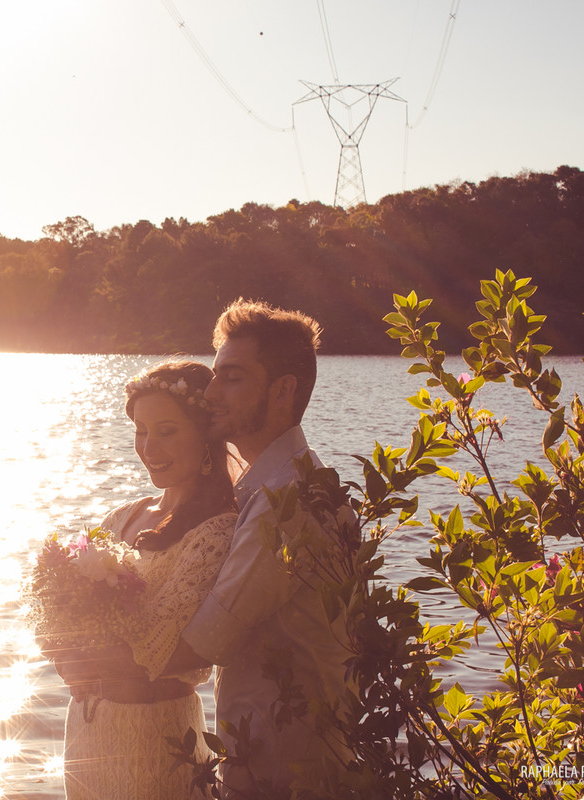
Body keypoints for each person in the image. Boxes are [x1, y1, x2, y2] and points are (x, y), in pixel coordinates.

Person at [159, 298, 356, 796]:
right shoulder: (280, 484)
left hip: (289, 775)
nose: (211, 393)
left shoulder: (286, 503)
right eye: (215, 375)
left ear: (283, 389)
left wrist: (88, 652)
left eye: (233, 378)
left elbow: (199, 644)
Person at [56, 360, 238, 800]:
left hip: (155, 735)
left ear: (206, 435)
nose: (149, 446)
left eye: (167, 430)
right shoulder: (124, 516)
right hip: (87, 728)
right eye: (141, 430)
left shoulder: (216, 531)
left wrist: (88, 654)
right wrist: (58, 637)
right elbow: (66, 617)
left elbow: (160, 647)